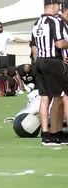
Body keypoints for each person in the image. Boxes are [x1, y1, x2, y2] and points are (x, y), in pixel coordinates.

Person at [31, 0, 68, 146]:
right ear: (52, 6)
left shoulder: (36, 23)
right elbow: (59, 44)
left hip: (40, 60)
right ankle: (54, 133)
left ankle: (46, 135)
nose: (59, 8)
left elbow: (34, 48)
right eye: (58, 5)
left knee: (45, 97)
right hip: (54, 61)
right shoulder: (54, 21)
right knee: (65, 95)